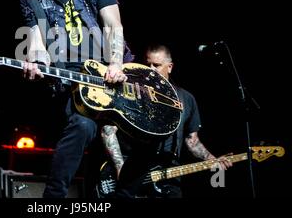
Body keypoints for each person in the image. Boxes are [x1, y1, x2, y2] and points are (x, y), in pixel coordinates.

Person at [19, 0, 131, 198]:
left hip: (113, 76)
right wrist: (35, 62)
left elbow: (112, 26)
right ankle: (53, 198)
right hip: (72, 84)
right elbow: (36, 45)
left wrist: (115, 64)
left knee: (126, 142)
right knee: (82, 124)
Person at [100, 44, 233, 198]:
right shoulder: (130, 91)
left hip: (168, 175)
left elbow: (192, 141)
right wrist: (119, 167)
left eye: (156, 65)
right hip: (132, 170)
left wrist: (212, 159)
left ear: (169, 67)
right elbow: (108, 130)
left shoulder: (186, 99)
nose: (150, 70)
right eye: (147, 64)